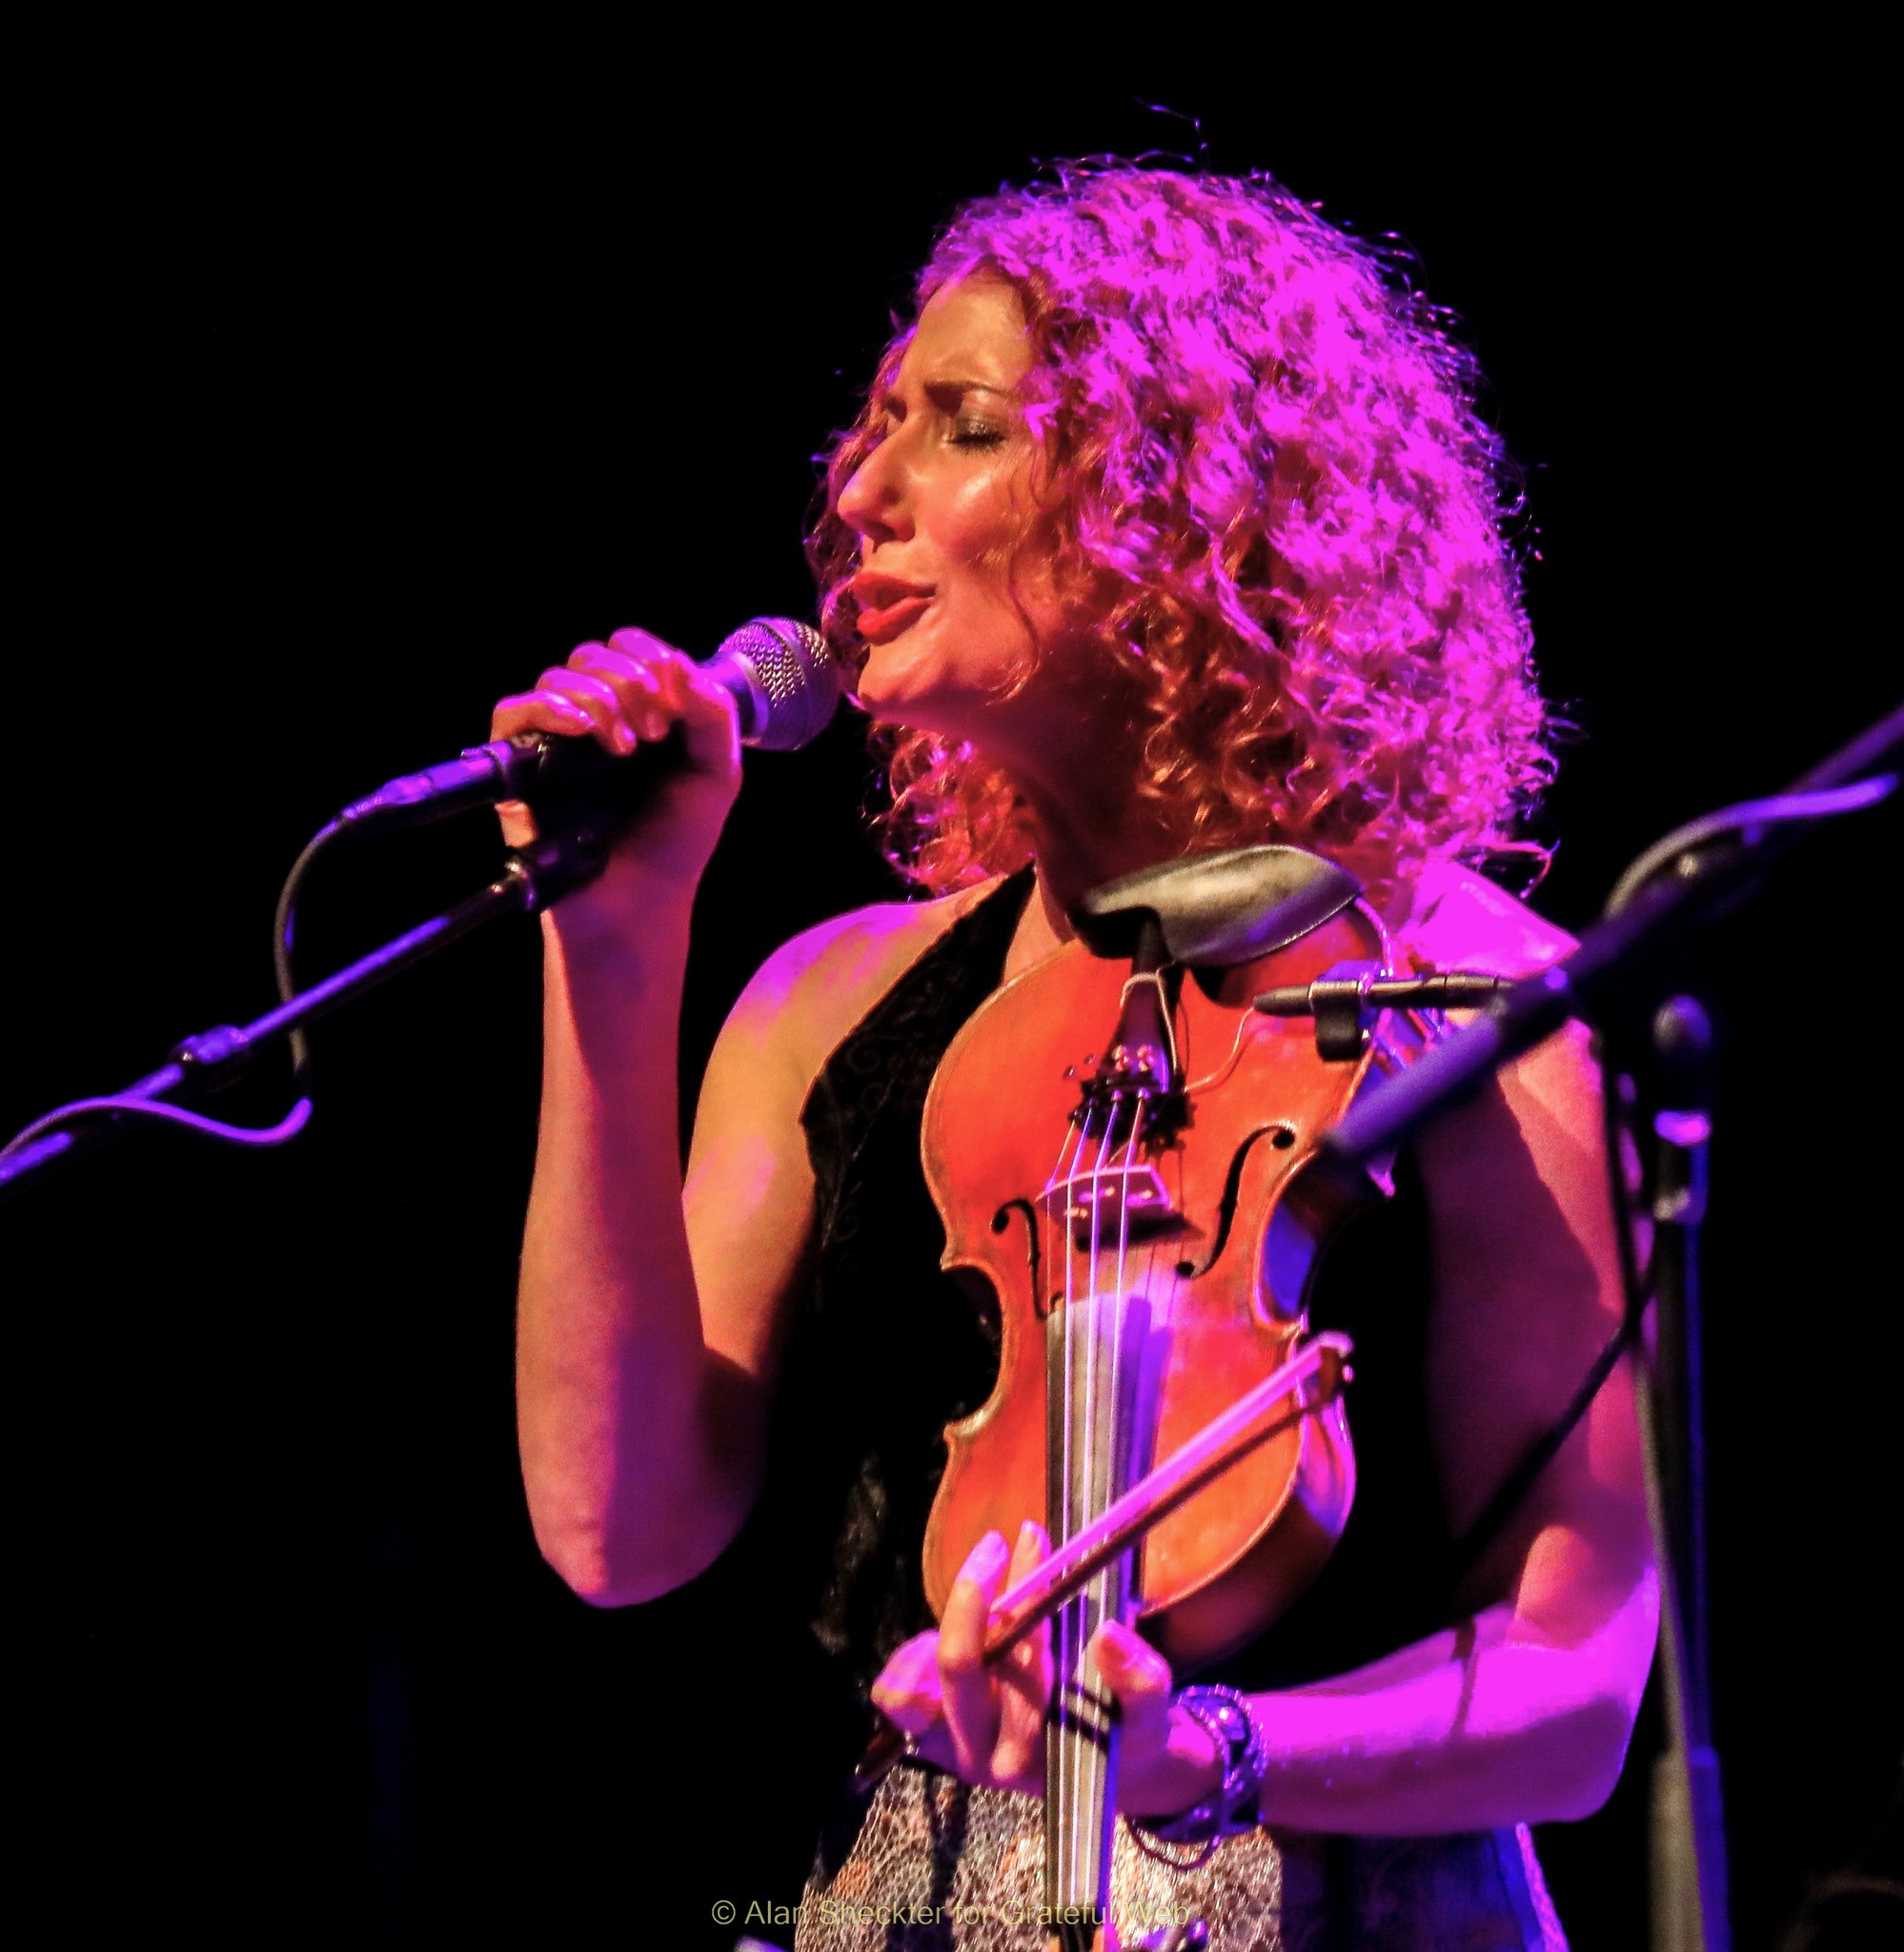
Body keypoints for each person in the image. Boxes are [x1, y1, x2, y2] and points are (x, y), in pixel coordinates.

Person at [501, 166, 1657, 1949]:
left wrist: (1202, 1758)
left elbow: (1571, 1694)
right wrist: (614, 944)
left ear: (1175, 508)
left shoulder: (1480, 1006)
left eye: (960, 428)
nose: (858, 490)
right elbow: (614, 1526)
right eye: (875, 426)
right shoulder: (836, 1001)